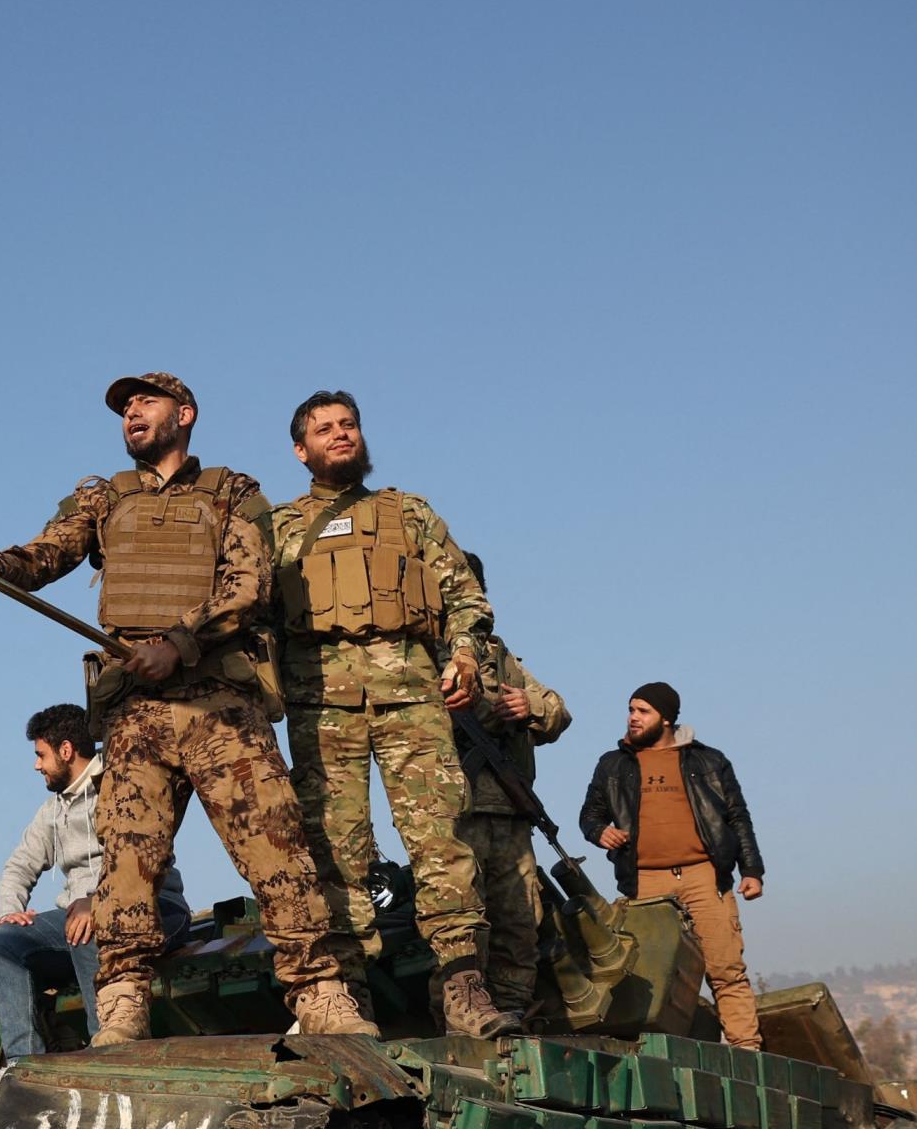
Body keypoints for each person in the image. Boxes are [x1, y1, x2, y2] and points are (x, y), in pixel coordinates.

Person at [0, 372, 372, 1044]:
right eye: (124, 408)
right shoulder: (104, 498)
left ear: (186, 414)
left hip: (220, 706)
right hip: (138, 714)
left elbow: (249, 584)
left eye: (144, 402)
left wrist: (178, 644)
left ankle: (320, 992)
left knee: (278, 849)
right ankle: (121, 1007)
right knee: (125, 868)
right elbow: (50, 550)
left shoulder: (235, 493)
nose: (131, 414)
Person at [268, 389, 513, 1037]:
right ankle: (348, 1003)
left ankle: (463, 992)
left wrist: (462, 655)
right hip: (322, 707)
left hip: (412, 696)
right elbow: (253, 617)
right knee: (335, 858)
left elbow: (465, 596)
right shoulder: (279, 529)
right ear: (301, 450)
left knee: (442, 845)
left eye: (348, 424)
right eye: (324, 429)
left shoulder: (409, 513)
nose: (340, 434)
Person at [0, 703, 191, 1065]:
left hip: (155, 905)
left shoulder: (122, 783)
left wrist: (97, 901)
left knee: (87, 928)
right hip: (76, 915)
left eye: (41, 755)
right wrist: (10, 912)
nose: (37, 765)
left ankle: (108, 1050)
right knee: (4, 942)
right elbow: (18, 866)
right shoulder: (53, 811)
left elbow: (145, 856)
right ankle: (23, 1063)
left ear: (66, 751)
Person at [580, 682, 766, 1048]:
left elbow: (737, 816)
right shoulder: (612, 764)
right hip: (644, 884)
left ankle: (747, 1051)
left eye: (643, 711)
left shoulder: (709, 761)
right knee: (646, 977)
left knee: (725, 969)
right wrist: (600, 832)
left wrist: (752, 870)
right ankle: (651, 1053)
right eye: (631, 710)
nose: (633, 718)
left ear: (666, 718)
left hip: (703, 876)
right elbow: (590, 814)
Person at [450, 554, 571, 1023]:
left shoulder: (501, 656)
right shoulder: (425, 655)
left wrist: (529, 705)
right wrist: (482, 712)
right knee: (461, 923)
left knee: (520, 922)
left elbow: (559, 710)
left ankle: (514, 1009)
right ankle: (461, 1014)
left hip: (510, 811)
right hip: (454, 812)